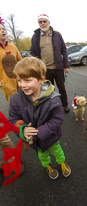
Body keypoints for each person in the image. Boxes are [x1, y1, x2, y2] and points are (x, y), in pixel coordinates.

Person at [8, 57, 71, 179]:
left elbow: (56, 121)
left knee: (57, 151)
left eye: (27, 80)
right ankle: (47, 166)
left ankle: (62, 162)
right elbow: (13, 119)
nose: (22, 85)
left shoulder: (54, 99)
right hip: (34, 143)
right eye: (19, 80)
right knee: (42, 155)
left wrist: (35, 134)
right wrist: (22, 131)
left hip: (51, 137)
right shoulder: (15, 99)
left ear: (41, 80)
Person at [0, 18, 24, 185]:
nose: (3, 31)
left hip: (19, 82)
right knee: (15, 106)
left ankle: (28, 123)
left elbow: (21, 61)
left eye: (3, 28)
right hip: (7, 85)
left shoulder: (13, 46)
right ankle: (20, 127)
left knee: (26, 103)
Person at [30, 14, 70, 113]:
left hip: (58, 68)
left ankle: (64, 105)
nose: (43, 24)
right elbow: (32, 52)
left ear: (49, 22)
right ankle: (52, 108)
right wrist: (37, 66)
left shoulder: (57, 34)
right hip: (45, 70)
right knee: (48, 90)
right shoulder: (35, 36)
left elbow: (64, 50)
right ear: (38, 23)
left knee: (62, 88)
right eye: (40, 22)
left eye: (45, 21)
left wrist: (66, 65)